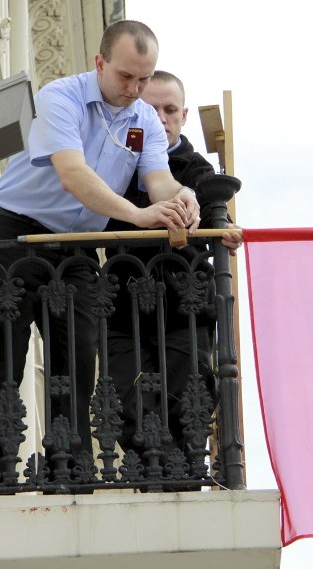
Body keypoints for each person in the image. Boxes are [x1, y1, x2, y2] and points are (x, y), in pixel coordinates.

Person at [0, 21, 200, 469]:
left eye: (144, 78)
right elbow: (72, 174)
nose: (135, 89)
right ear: (100, 63)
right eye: (125, 77)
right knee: (3, 356)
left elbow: (158, 180)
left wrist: (183, 197)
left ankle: (70, 466)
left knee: (79, 360)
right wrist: (136, 216)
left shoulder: (144, 122)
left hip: (77, 248)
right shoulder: (60, 97)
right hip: (17, 235)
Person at [103, 71, 241, 460]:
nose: (161, 118)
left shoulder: (196, 167)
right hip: (122, 302)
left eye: (170, 110)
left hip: (186, 304)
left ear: (182, 116)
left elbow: (215, 208)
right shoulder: (116, 160)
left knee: (189, 388)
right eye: (151, 109)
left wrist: (223, 227)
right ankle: (147, 468)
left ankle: (183, 467)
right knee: (126, 390)